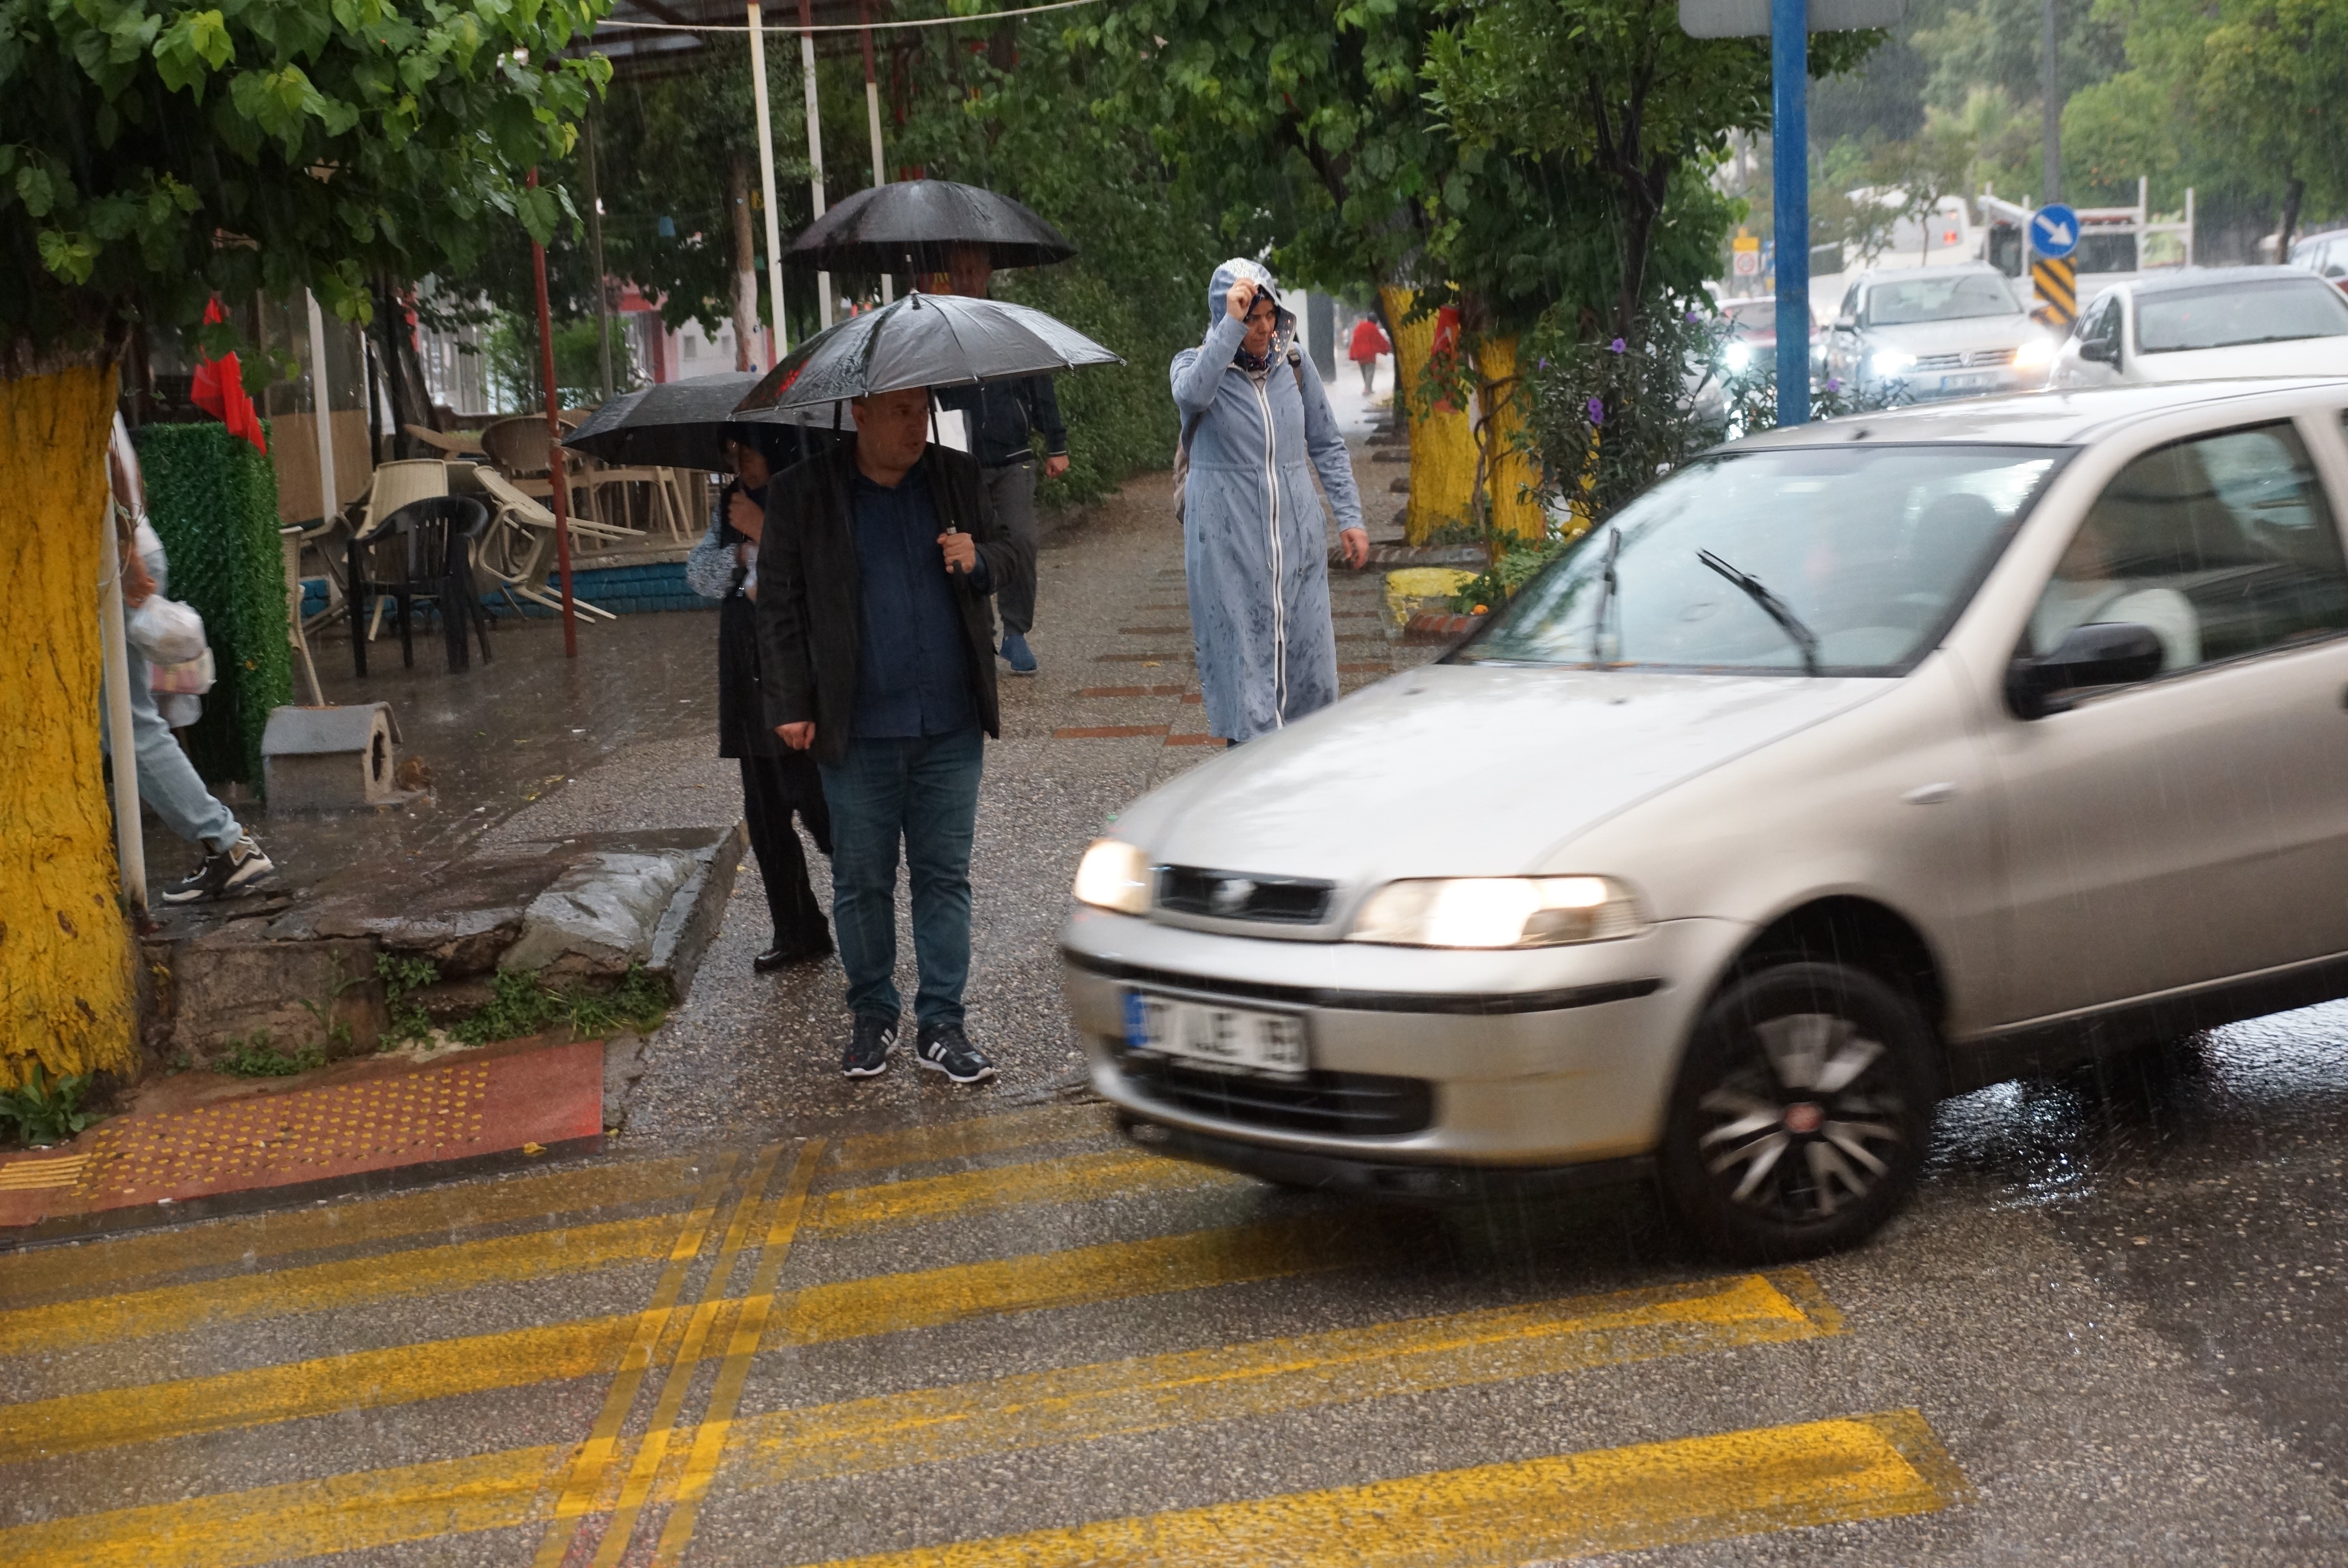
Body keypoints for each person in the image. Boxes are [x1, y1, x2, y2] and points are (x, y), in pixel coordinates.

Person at [755, 384, 1032, 1084]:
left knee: (944, 877)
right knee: (861, 881)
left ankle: (942, 1023)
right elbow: (780, 607)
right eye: (903, 412)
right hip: (858, 727)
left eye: (924, 411)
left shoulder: (955, 476)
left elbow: (1014, 554)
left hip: (949, 723)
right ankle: (872, 1013)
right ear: (861, 415)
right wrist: (790, 700)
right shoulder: (804, 494)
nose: (918, 426)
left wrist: (979, 561)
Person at [1171, 260, 1368, 745]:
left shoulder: (1295, 365)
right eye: (1249, 317)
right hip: (1228, 544)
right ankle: (1251, 785)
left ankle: (1305, 780)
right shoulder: (1193, 365)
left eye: (1267, 315)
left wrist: (1350, 517)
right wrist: (1229, 329)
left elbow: (1325, 442)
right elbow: (1192, 397)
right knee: (1244, 682)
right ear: (1224, 316)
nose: (1262, 328)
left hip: (1296, 543)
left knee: (1311, 677)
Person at [102, 416, 276, 904]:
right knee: (122, 724)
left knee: (126, 725)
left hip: (116, 564)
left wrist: (127, 555)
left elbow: (112, 468)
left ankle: (229, 846)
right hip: (125, 556)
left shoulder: (67, 374)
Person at [686, 427, 835, 973]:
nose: (741, 461)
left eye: (749, 450)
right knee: (766, 817)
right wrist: (738, 551)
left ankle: (870, 918)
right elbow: (699, 573)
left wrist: (767, 533)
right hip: (747, 673)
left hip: (797, 671)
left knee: (824, 812)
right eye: (734, 452)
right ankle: (797, 929)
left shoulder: (812, 494)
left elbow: (826, 571)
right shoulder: (730, 503)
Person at [934, 243, 1068, 678]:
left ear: (988, 270)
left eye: (974, 269)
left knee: (1022, 540)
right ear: (949, 274)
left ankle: (1016, 631)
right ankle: (982, 633)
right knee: (964, 549)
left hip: (1013, 456)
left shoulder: (1009, 323)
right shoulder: (939, 330)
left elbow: (1040, 381)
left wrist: (1056, 442)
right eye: (959, 270)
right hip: (960, 458)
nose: (967, 278)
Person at [1348, 313, 1392, 395]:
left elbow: (1354, 340)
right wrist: (1388, 348)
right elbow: (1380, 340)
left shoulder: (1359, 327)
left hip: (1359, 353)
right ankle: (1367, 389)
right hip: (1369, 354)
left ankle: (1368, 388)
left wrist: (1353, 353)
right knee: (1370, 372)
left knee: (1364, 371)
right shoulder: (1373, 328)